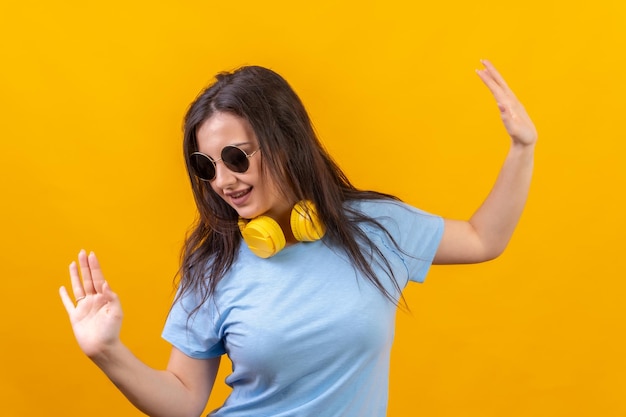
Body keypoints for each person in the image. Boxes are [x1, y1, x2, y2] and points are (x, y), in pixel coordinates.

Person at [59, 59, 537, 417]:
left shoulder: (374, 228)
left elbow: (481, 239)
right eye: (207, 166)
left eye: (236, 156)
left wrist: (522, 148)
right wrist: (108, 351)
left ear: (284, 141)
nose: (223, 180)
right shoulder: (214, 265)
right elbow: (183, 401)